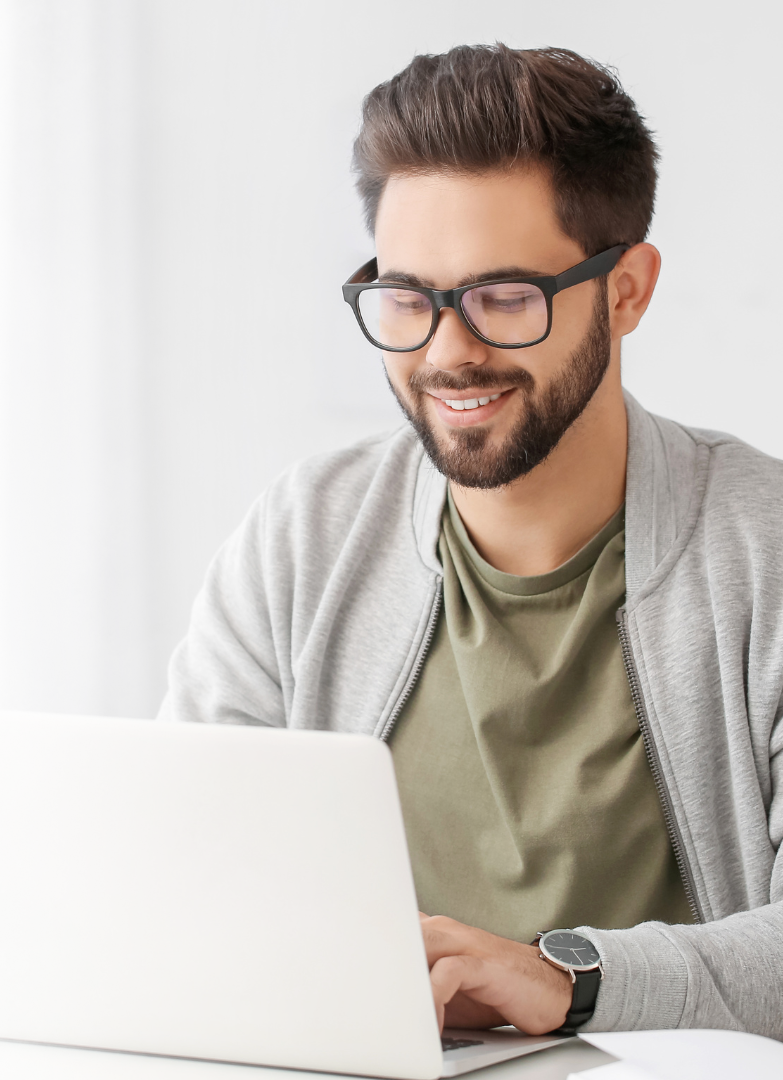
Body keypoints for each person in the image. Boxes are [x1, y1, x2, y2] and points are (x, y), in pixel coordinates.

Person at [157, 44, 783, 1040]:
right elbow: (179, 869)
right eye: (408, 296)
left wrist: (569, 977)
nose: (448, 352)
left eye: (503, 296)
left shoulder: (764, 553)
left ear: (625, 292)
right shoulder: (304, 536)